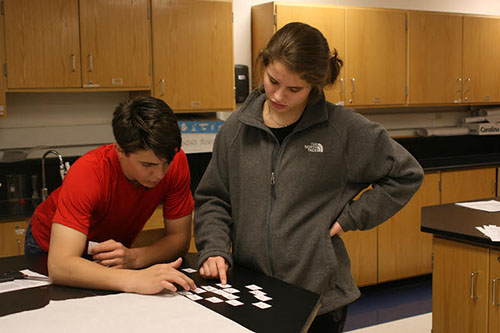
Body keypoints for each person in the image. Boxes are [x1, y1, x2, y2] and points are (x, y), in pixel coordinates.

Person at [194, 22, 424, 332]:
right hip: (254, 289)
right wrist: (215, 248)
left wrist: (350, 217)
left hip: (319, 299)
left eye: (294, 89)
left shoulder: (343, 129)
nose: (278, 95)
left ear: (315, 85)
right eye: (273, 81)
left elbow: (406, 174)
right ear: (264, 65)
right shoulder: (236, 130)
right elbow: (213, 199)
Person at [26, 96, 197, 294]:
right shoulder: (88, 172)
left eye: (166, 163)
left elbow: (179, 239)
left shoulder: (176, 162)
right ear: (120, 150)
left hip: (107, 252)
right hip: (50, 248)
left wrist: (134, 258)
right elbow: (61, 266)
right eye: (147, 165)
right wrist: (136, 279)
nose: (159, 175)